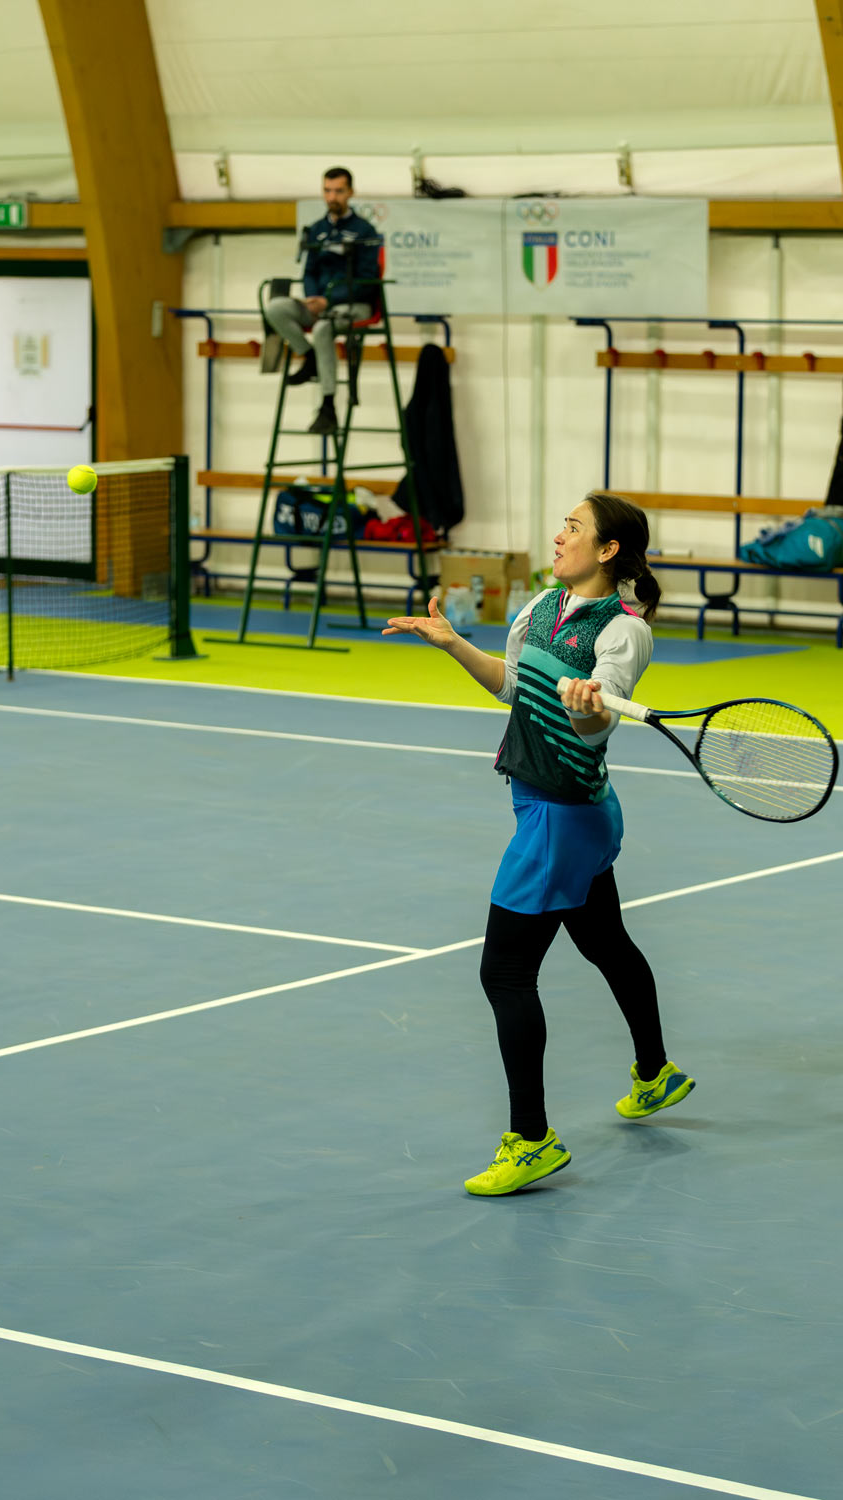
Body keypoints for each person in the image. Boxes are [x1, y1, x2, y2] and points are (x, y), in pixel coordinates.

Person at [383, 491, 695, 1197]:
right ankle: (656, 1073)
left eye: (573, 527)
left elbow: (597, 724)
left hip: (562, 819)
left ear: (608, 550)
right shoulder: (540, 608)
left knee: (504, 973)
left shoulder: (623, 632)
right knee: (605, 942)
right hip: (557, 807)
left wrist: (587, 709)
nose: (559, 536)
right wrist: (454, 645)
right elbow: (513, 688)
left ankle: (531, 1141)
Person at [264, 166, 380, 436]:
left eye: (338, 191)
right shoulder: (316, 230)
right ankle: (309, 356)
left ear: (350, 192)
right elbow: (309, 272)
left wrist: (328, 301)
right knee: (276, 308)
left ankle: (328, 406)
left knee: (322, 328)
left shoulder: (364, 231)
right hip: (320, 304)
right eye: (327, 191)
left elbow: (367, 281)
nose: (332, 197)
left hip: (352, 305)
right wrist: (312, 298)